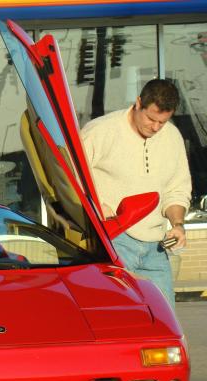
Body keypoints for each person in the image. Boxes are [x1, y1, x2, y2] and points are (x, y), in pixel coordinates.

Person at [81, 79, 191, 308]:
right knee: (118, 317)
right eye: (151, 119)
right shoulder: (100, 131)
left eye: (163, 121)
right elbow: (70, 177)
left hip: (156, 245)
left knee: (164, 321)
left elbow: (176, 189)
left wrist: (178, 224)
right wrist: (98, 205)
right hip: (115, 240)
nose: (156, 128)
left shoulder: (172, 137)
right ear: (138, 103)